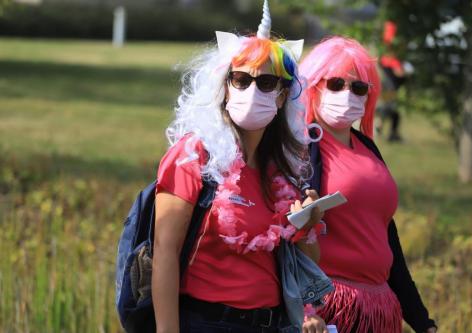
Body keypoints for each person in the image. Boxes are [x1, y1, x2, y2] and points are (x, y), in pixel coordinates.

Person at [152, 1, 328, 332]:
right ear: (225, 85)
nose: (251, 90)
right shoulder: (193, 156)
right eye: (241, 79)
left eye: (265, 83)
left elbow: (306, 260)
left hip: (270, 323)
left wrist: (307, 224)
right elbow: (165, 252)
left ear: (281, 95)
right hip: (206, 321)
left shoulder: (283, 169)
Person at [299, 36, 437, 333]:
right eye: (335, 84)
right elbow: (288, 238)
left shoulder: (367, 146)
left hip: (380, 310)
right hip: (330, 312)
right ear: (313, 85)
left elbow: (387, 239)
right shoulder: (301, 148)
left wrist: (422, 321)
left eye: (358, 88)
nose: (347, 95)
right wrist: (304, 309)